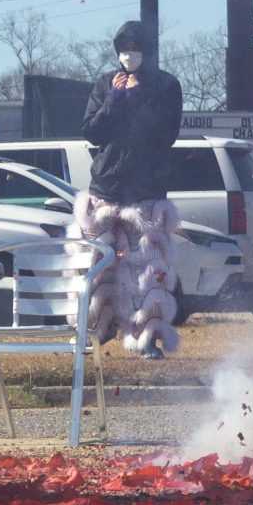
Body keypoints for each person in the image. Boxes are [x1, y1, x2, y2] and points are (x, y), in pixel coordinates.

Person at [74, 20, 185, 359]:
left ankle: (147, 337)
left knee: (149, 272)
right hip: (106, 185)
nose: (128, 57)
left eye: (135, 51)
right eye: (123, 51)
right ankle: (95, 329)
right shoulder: (106, 83)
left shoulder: (166, 85)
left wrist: (137, 96)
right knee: (97, 265)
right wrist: (114, 99)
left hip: (147, 188)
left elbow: (165, 133)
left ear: (147, 53)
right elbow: (91, 131)